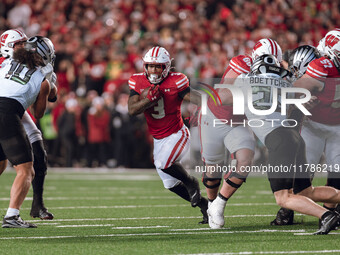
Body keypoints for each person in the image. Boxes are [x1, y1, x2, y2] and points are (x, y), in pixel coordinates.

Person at [209, 54, 340, 234]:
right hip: (295, 137)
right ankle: (329, 212)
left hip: (279, 140)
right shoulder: (286, 84)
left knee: (283, 198)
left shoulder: (245, 81)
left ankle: (327, 216)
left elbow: (219, 99)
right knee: (306, 191)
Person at [202, 38, 280, 227]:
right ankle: (210, 204)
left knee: (245, 160)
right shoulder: (241, 64)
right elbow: (223, 97)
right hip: (215, 117)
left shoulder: (276, 75)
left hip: (239, 123)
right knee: (212, 170)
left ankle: (219, 204)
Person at [128, 46, 208, 224]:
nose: (153, 71)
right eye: (150, 66)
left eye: (158, 67)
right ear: (145, 66)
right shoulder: (137, 81)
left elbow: (195, 97)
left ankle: (190, 182)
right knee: (170, 184)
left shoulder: (176, 81)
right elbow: (132, 110)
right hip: (158, 139)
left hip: (177, 134)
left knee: (163, 163)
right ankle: (206, 207)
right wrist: (149, 100)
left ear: (166, 67)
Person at [0, 29, 56, 220]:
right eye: (19, 44)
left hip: (12, 108)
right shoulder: (41, 77)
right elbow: (39, 113)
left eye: (24, 44)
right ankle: (12, 215)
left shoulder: (8, 62)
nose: (23, 47)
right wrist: (48, 86)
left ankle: (37, 204)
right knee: (25, 168)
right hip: (9, 110)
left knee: (5, 162)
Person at [270, 45, 321, 226]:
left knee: (301, 184)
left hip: (309, 134)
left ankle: (288, 212)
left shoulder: (308, 83)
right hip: (311, 132)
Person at [293, 30, 340, 223]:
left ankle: (332, 212)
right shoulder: (322, 64)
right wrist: (303, 101)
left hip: (337, 126)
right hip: (313, 125)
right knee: (302, 178)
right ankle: (289, 208)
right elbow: (296, 91)